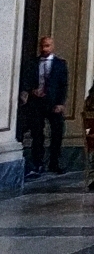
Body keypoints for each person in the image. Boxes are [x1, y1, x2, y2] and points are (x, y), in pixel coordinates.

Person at [19, 36, 69, 177]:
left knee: (57, 133)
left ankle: (54, 162)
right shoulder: (32, 63)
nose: (44, 49)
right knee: (37, 134)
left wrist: (60, 103)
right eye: (42, 46)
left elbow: (63, 85)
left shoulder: (60, 64)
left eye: (47, 46)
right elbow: (26, 81)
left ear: (52, 46)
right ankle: (38, 162)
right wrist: (31, 90)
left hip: (54, 103)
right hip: (37, 103)